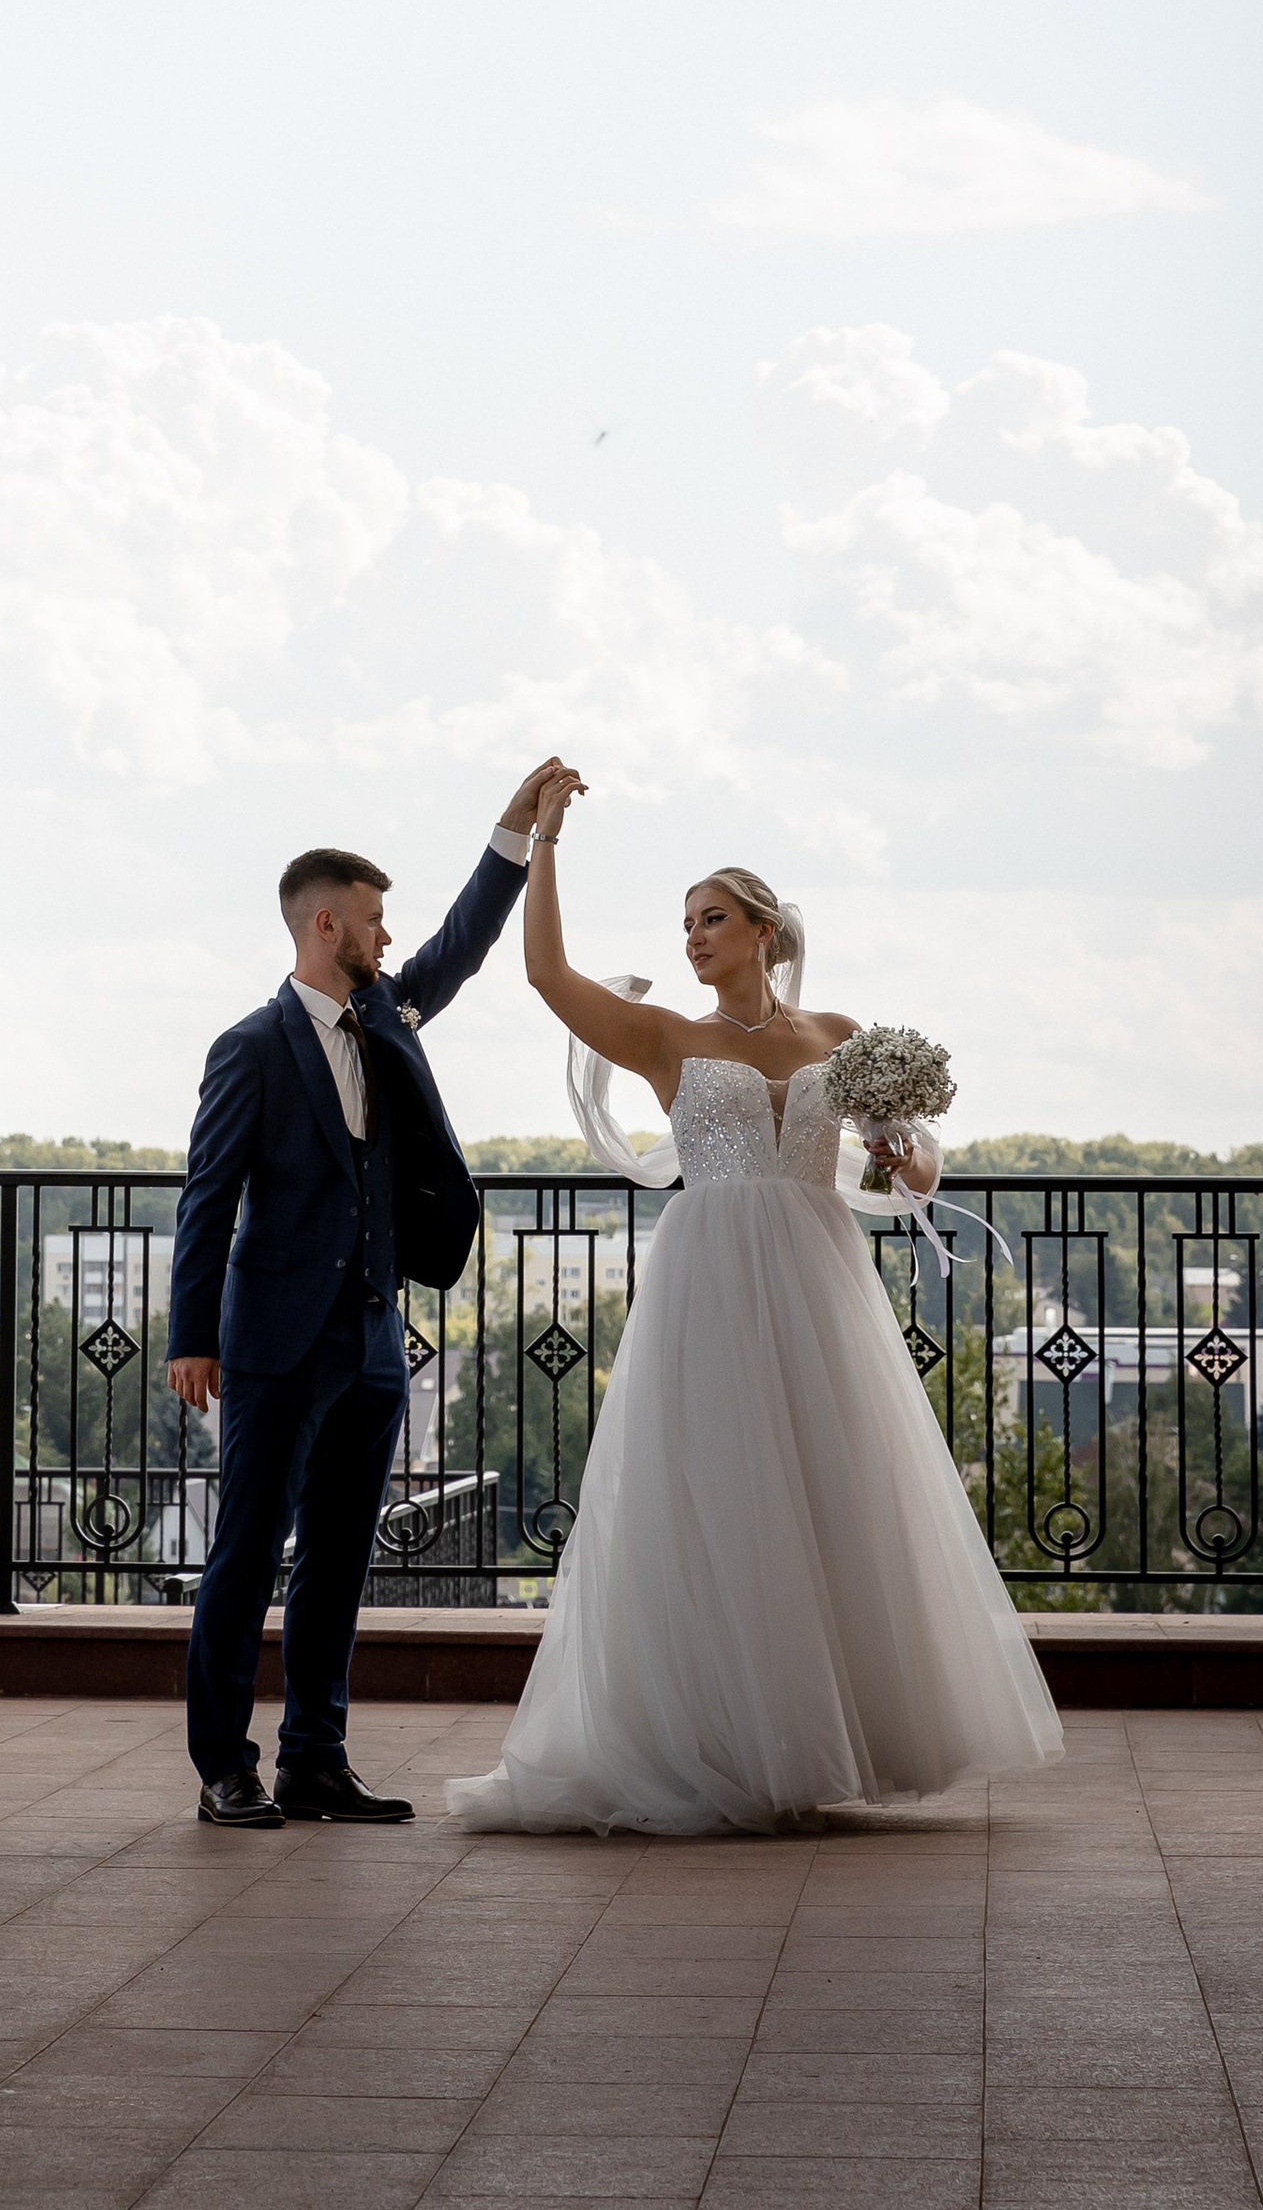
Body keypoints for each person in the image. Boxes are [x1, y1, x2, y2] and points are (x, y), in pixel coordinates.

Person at [448, 767, 1063, 1834]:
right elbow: (546, 973)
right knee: (722, 1497)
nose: (691, 938)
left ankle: (826, 1737)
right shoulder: (666, 1039)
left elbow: (910, 1175)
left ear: (762, 929)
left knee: (833, 1493)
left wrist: (895, 1151)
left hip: (820, 1279)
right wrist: (541, 842)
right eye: (684, 924)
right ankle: (717, 1742)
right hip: (713, 1280)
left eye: (710, 919)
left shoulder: (837, 1032)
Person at [167, 763, 572, 1828]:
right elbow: (206, 1200)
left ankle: (313, 1758)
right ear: (327, 922)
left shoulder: (387, 1011)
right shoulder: (249, 1048)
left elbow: (461, 944)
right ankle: (223, 1766)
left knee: (340, 1560)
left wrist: (515, 834)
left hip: (374, 1339)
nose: (390, 939)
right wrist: (189, 1337)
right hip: (269, 1344)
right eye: (375, 922)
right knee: (246, 1554)